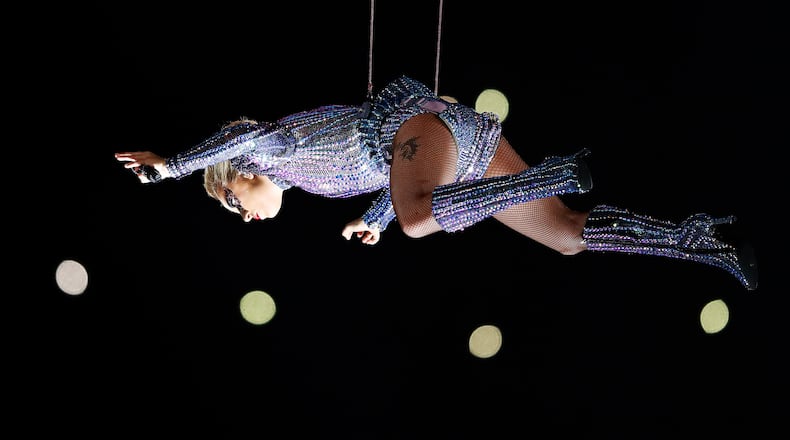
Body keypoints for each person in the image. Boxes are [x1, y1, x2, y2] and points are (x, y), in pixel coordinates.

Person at [115, 75, 758, 290]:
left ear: (239, 173)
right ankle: (703, 241)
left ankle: (560, 170)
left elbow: (234, 135)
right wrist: (377, 217)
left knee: (421, 218)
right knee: (562, 235)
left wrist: (173, 166)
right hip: (461, 149)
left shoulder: (271, 144)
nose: (245, 216)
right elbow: (394, 182)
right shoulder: (303, 179)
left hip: (424, 129)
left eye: (232, 202)